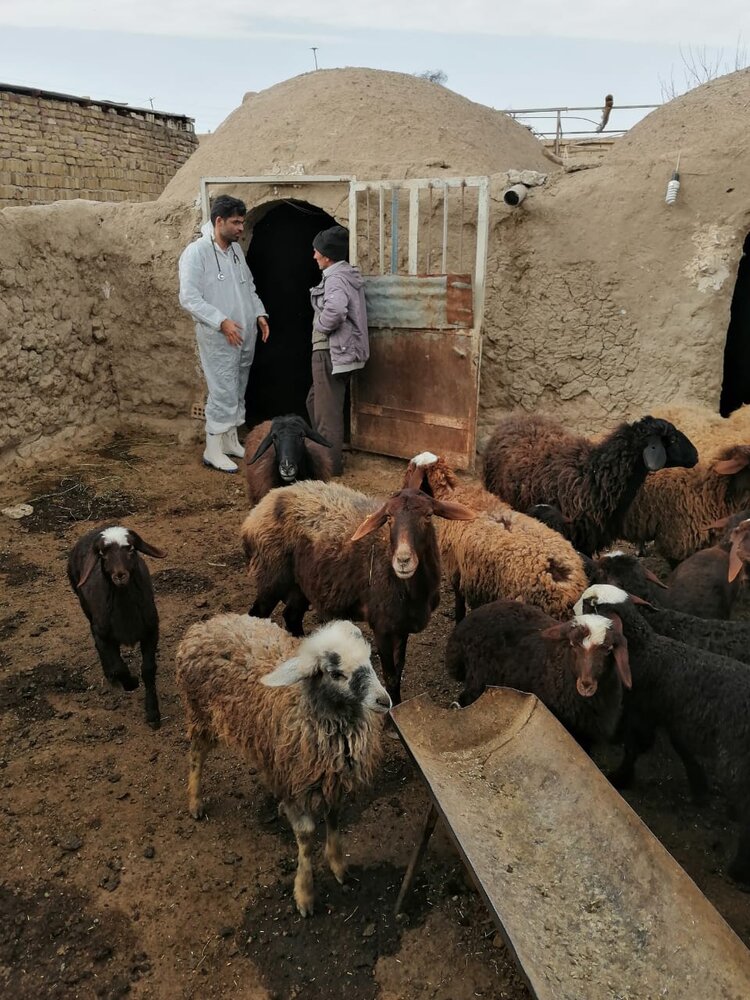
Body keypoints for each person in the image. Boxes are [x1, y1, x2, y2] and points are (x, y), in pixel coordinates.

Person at [178, 195, 270, 473]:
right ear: (219, 221)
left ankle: (230, 441)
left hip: (243, 333)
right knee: (222, 389)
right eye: (236, 222)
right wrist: (221, 322)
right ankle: (213, 448)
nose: (241, 228)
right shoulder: (197, 253)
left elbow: (248, 286)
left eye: (242, 222)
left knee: (238, 386)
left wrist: (259, 313)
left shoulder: (235, 251)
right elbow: (189, 298)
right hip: (219, 337)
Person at [307, 225, 369, 476]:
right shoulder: (345, 275)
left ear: (328, 255)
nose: (314, 256)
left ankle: (329, 466)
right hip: (341, 351)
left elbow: (335, 310)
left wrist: (320, 326)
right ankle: (322, 451)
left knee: (327, 414)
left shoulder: (335, 278)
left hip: (330, 351)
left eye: (317, 251)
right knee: (315, 402)